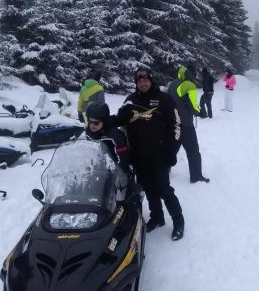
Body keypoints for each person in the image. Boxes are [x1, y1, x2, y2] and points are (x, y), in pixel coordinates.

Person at [116, 67, 185, 241]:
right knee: (148, 188)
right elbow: (119, 121)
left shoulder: (164, 99)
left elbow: (177, 126)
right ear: (136, 84)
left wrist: (172, 151)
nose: (143, 83)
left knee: (164, 189)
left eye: (146, 80)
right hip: (139, 155)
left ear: (151, 80)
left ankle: (178, 221)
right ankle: (157, 218)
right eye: (139, 81)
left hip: (160, 154)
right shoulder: (130, 100)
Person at [168, 65, 210, 184]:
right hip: (186, 124)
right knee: (193, 151)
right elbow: (193, 106)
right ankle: (196, 176)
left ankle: (164, 169)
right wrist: (200, 112)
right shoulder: (190, 85)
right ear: (192, 73)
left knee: (171, 149)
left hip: (173, 123)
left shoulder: (173, 83)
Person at [85, 102, 132, 202]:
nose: (92, 125)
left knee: (121, 186)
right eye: (90, 122)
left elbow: (122, 157)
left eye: (96, 123)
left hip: (116, 166)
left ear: (104, 121)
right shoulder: (89, 131)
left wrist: (121, 170)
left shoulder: (114, 135)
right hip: (99, 164)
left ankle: (126, 204)